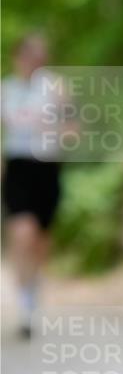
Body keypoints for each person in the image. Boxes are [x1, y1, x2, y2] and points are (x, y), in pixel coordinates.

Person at [1, 33, 62, 338]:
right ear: (18, 58)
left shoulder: (56, 88)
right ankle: (24, 302)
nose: (32, 61)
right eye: (27, 55)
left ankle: (33, 289)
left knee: (40, 241)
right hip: (18, 167)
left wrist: (57, 131)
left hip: (47, 167)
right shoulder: (6, 90)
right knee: (22, 234)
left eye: (37, 56)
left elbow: (73, 127)